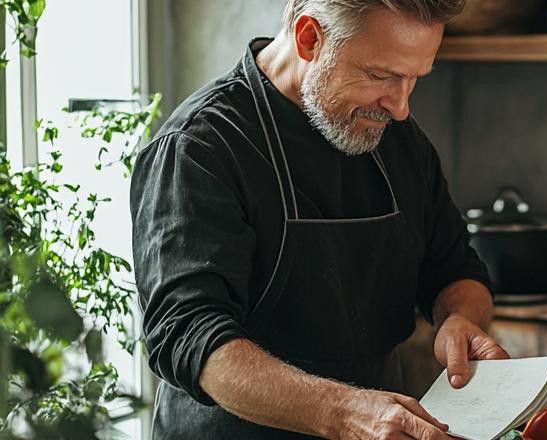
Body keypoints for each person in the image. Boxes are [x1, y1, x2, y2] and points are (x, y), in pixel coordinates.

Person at [129, 1, 509, 438]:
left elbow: (455, 267)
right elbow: (191, 336)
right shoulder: (199, 148)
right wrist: (345, 412)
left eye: (414, 79)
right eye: (381, 75)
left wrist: (460, 318)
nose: (401, 107)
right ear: (309, 37)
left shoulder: (395, 137)